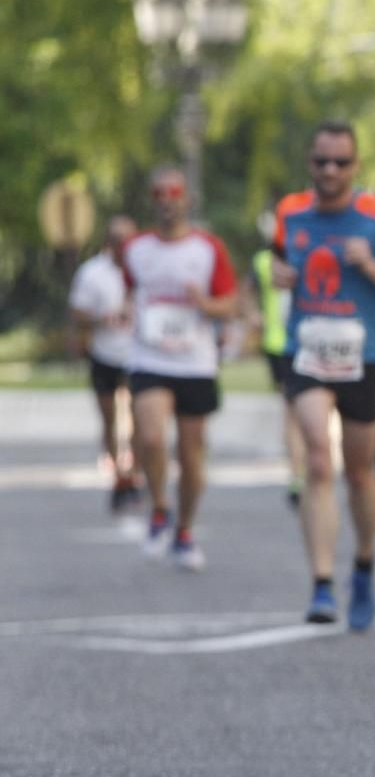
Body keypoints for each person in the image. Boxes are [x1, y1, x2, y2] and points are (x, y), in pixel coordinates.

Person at [273, 121, 375, 631]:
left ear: (355, 166)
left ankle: (361, 564)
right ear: (310, 164)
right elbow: (277, 264)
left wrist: (371, 267)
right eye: (321, 161)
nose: (330, 171)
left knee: (359, 472)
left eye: (340, 162)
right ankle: (320, 584)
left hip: (364, 358)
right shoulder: (290, 212)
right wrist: (278, 276)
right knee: (319, 458)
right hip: (308, 351)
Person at [123, 169, 239, 569]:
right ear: (152, 201)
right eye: (159, 194)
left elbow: (230, 304)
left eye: (174, 193)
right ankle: (159, 508)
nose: (167, 200)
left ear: (188, 199)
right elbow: (126, 291)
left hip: (195, 362)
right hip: (149, 358)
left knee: (191, 457)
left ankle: (185, 530)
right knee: (151, 438)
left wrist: (204, 303)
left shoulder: (208, 249)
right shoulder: (136, 248)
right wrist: (123, 311)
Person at [68, 214, 140, 511]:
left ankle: (134, 473)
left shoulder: (145, 266)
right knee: (109, 417)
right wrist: (102, 319)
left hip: (139, 355)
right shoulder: (92, 272)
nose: (123, 246)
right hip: (105, 354)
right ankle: (118, 474)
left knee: (140, 418)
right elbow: (78, 311)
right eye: (117, 240)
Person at [248, 214, 306, 507]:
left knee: (295, 413)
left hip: (292, 344)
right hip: (283, 344)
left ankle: (301, 472)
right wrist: (253, 315)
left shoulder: (263, 259)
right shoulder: (263, 262)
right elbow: (249, 295)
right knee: (296, 413)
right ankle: (300, 473)